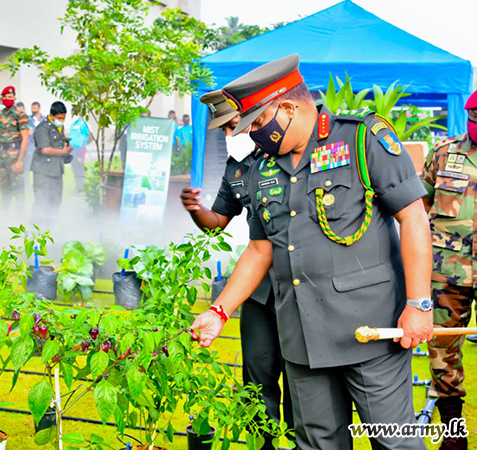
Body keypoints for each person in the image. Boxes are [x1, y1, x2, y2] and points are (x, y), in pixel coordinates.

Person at [190, 54, 432, 449]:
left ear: (287, 108)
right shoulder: (263, 165)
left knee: (395, 443)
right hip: (301, 336)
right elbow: (259, 249)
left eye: (257, 125)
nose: (251, 137)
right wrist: (219, 311)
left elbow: (414, 218)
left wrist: (419, 304)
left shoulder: (360, 139)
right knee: (318, 443)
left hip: (369, 332)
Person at [181, 89, 293, 450]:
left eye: (234, 125)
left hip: (300, 287)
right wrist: (195, 210)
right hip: (258, 291)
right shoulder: (238, 167)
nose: (230, 135)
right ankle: (262, 446)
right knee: (256, 381)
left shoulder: (289, 156)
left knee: (301, 383)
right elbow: (218, 221)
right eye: (224, 130)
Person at [421, 89, 477, 450]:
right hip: (447, 270)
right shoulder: (445, 154)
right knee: (443, 348)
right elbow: (418, 202)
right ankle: (454, 432)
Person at [0, 86, 29, 209]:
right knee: (4, 189)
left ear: (14, 98)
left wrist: (20, 161)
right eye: (6, 97)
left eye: (10, 97)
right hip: (1, 155)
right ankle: (4, 218)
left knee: (18, 190)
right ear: (2, 98)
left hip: (14, 155)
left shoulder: (20, 115)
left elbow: (25, 139)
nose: (8, 99)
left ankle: (19, 219)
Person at [31, 101, 72, 216]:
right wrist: (62, 151)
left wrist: (68, 148)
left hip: (56, 170)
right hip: (43, 171)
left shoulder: (59, 127)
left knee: (56, 201)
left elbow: (59, 143)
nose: (62, 121)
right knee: (42, 202)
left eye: (64, 118)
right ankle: (37, 229)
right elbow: (45, 149)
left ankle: (51, 227)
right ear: (52, 116)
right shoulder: (42, 128)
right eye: (59, 118)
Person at [69, 108, 91, 192]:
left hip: (80, 148)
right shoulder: (73, 125)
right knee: (74, 167)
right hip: (72, 149)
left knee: (80, 166)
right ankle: (77, 185)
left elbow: (89, 135)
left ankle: (82, 186)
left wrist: (84, 144)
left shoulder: (82, 123)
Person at [26, 102, 45, 189]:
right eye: (32, 108)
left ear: (39, 108)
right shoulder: (28, 119)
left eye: (35, 108)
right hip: (31, 146)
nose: (33, 110)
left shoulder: (44, 119)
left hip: (41, 146)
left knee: (41, 167)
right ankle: (27, 185)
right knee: (28, 166)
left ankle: (39, 184)